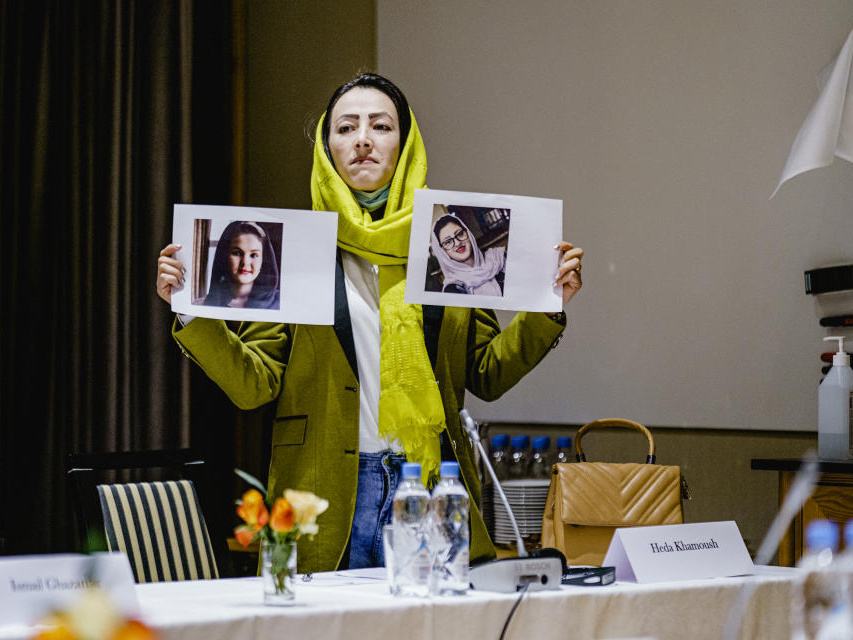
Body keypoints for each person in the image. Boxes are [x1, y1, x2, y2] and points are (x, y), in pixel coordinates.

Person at [155, 73, 584, 574]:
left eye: (380, 126)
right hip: (326, 492)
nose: (362, 139)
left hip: (430, 486)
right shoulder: (297, 248)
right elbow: (254, 386)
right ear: (326, 146)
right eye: (345, 128)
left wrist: (547, 307)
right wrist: (189, 309)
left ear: (404, 144)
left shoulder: (442, 246)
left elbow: (485, 374)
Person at [203, 220, 280, 310]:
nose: (245, 262)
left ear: (263, 261)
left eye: (254, 255)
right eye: (237, 253)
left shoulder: (278, 301)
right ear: (225, 257)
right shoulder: (211, 300)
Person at [430, 214, 506, 295]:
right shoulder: (453, 289)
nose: (458, 243)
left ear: (468, 233)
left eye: (460, 234)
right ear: (443, 252)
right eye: (448, 242)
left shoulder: (499, 258)